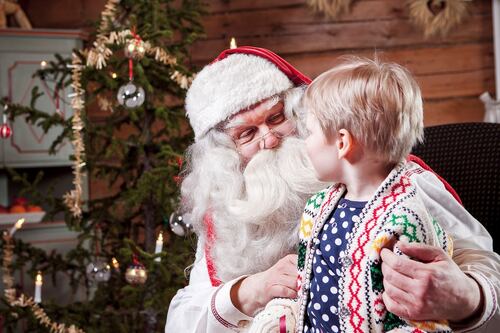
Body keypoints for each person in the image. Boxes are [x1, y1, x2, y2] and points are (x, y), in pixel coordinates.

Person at [165, 46, 499, 332]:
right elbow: (180, 323)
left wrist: (466, 298)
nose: (269, 139)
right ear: (224, 156)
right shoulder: (228, 215)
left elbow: (485, 264)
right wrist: (248, 291)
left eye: (277, 117)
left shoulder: (399, 183)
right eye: (247, 135)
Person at [295, 57, 453, 333]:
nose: (304, 144)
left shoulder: (408, 217)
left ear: (342, 143)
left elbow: (426, 321)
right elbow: (305, 291)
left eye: (310, 132)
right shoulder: (316, 209)